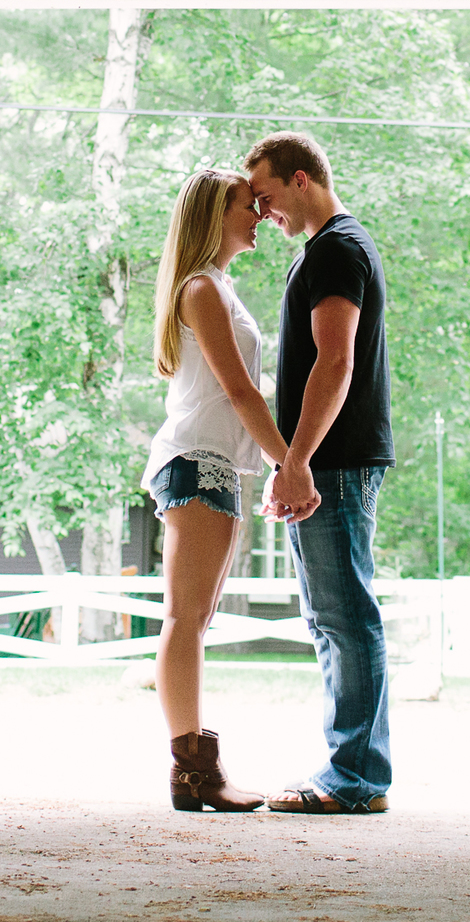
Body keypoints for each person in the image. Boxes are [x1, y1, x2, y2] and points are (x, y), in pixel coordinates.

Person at [244, 131, 392, 814]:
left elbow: (336, 362)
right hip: (329, 461)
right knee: (334, 618)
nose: (264, 212)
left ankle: (354, 777)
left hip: (332, 462)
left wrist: (296, 460)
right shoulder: (333, 247)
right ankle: (354, 771)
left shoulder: (336, 248)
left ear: (302, 179)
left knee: (345, 616)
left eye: (268, 197)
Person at [142, 167, 289, 811]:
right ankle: (193, 773)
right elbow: (240, 391)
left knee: (193, 620)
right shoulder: (201, 287)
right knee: (185, 620)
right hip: (197, 459)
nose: (258, 214)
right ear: (212, 215)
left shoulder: (219, 287)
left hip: (216, 464)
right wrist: (291, 462)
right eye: (245, 205)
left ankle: (199, 773)